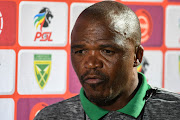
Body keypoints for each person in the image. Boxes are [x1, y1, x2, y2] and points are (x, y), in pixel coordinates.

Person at [34, 1, 180, 120]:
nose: (91, 63)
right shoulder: (50, 117)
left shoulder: (175, 112)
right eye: (81, 51)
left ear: (137, 56)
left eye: (107, 51)